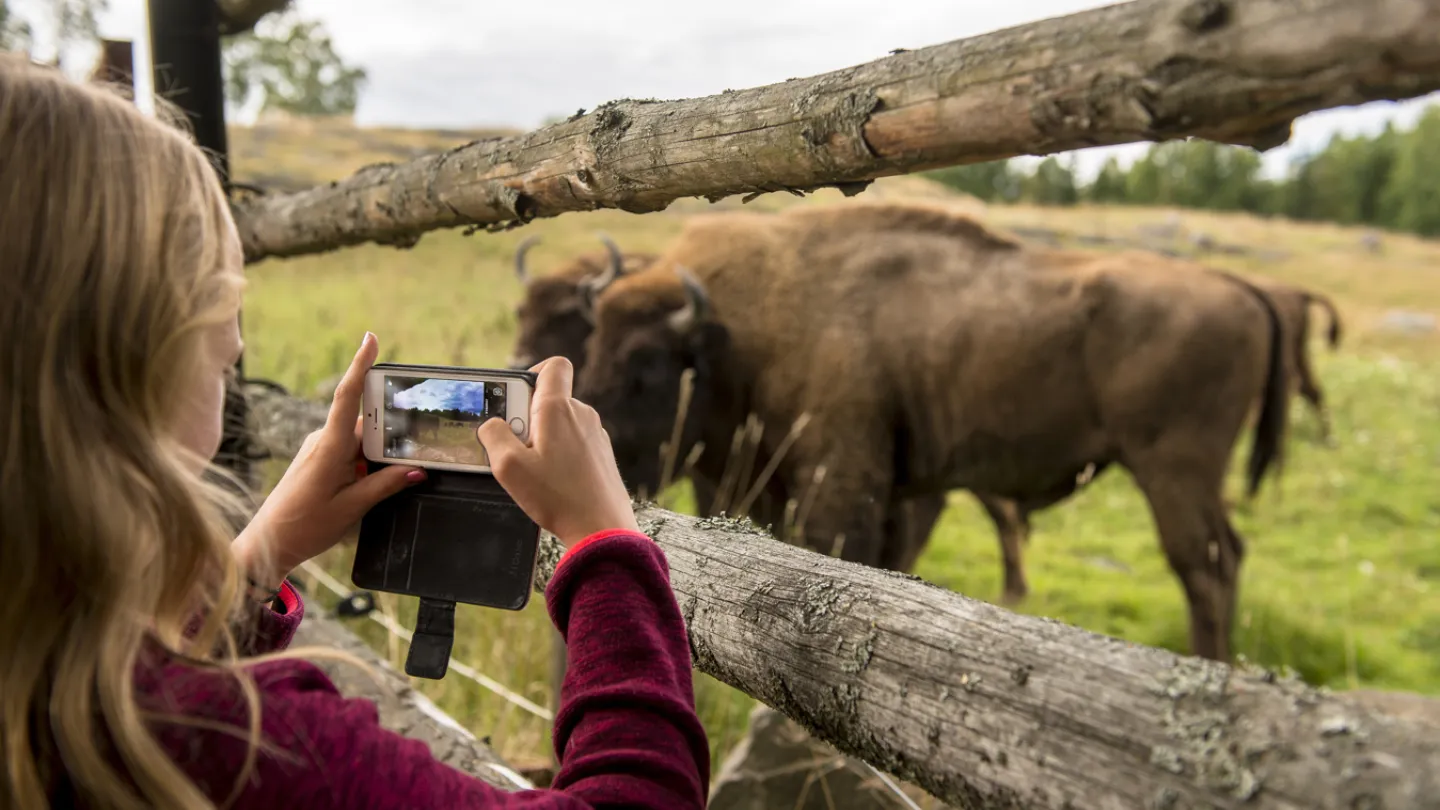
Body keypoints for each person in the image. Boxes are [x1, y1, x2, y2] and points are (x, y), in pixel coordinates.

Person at [0, 55, 709, 809]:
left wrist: (254, 562)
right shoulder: (234, 744)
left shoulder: (45, 670)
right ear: (119, 347)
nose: (234, 342)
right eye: (214, 294)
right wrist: (606, 545)